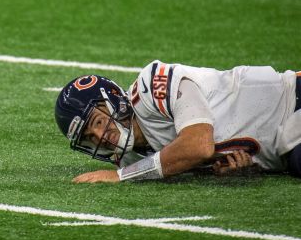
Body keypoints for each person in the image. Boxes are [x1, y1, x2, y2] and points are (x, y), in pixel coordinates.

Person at [54, 61, 301, 183]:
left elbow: (198, 145)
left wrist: (120, 177)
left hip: (291, 102)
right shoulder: (130, 157)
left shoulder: (150, 87)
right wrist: (235, 170)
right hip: (285, 154)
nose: (99, 137)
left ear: (115, 100)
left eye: (97, 122)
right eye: (88, 138)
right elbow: (196, 156)